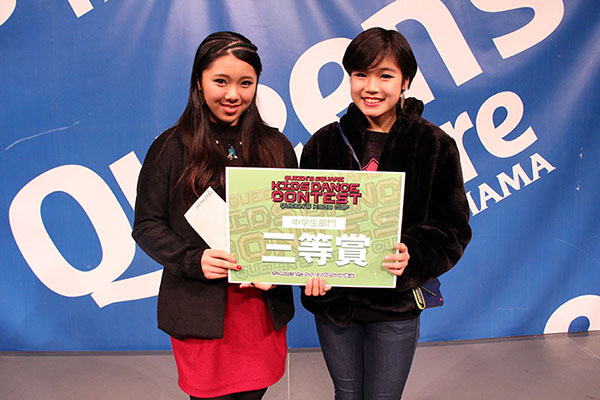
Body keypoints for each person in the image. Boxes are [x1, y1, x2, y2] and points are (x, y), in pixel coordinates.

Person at [301, 27, 472, 399]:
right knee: (346, 395)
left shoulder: (435, 145)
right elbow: (302, 223)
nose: (371, 87)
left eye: (385, 76)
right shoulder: (323, 144)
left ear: (405, 81)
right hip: (335, 305)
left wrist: (413, 253)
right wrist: (307, 270)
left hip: (395, 305)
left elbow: (453, 227)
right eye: (360, 74)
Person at [132, 31, 297, 400]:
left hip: (260, 310)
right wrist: (195, 260)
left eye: (245, 83)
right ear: (198, 81)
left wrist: (278, 270)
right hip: (200, 308)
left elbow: (292, 226)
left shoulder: (277, 147)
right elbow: (147, 226)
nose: (233, 94)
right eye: (220, 81)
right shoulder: (170, 147)